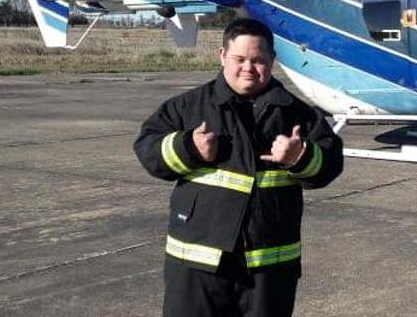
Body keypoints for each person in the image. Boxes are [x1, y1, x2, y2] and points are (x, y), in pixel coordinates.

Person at [134, 18, 343, 317]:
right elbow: (147, 149)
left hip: (269, 269)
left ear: (272, 60)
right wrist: (189, 148)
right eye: (239, 59)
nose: (248, 67)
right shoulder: (187, 107)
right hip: (197, 265)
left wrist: (301, 157)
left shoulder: (299, 115)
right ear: (222, 56)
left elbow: (332, 163)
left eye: (258, 60)